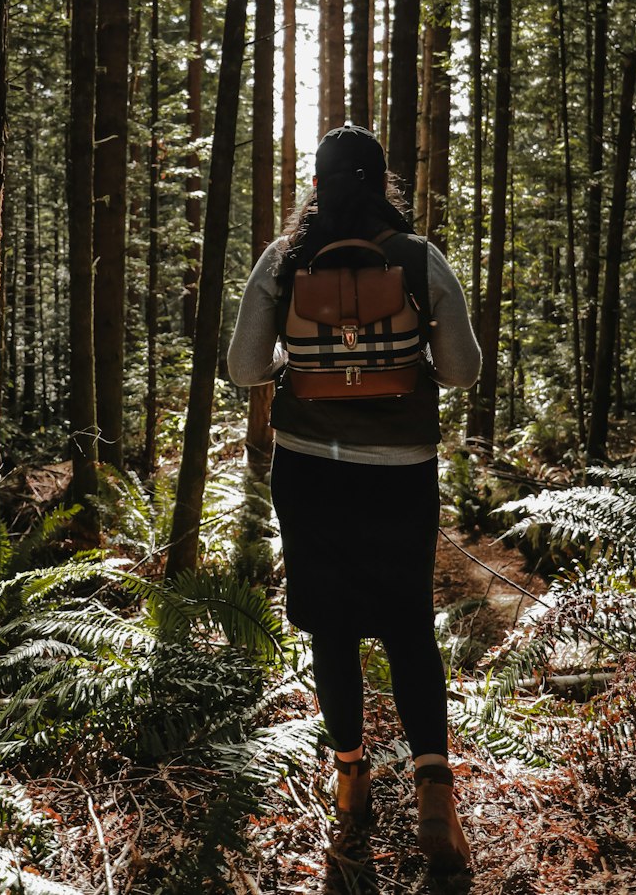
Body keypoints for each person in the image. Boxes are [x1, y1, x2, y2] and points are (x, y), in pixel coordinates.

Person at [227, 124, 480, 874]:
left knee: (330, 627)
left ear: (318, 182)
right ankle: (435, 791)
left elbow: (244, 369)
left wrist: (293, 359)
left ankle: (350, 783)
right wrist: (411, 358)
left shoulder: (285, 258)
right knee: (408, 624)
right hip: (401, 468)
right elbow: (461, 371)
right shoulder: (417, 256)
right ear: (381, 183)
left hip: (310, 469)